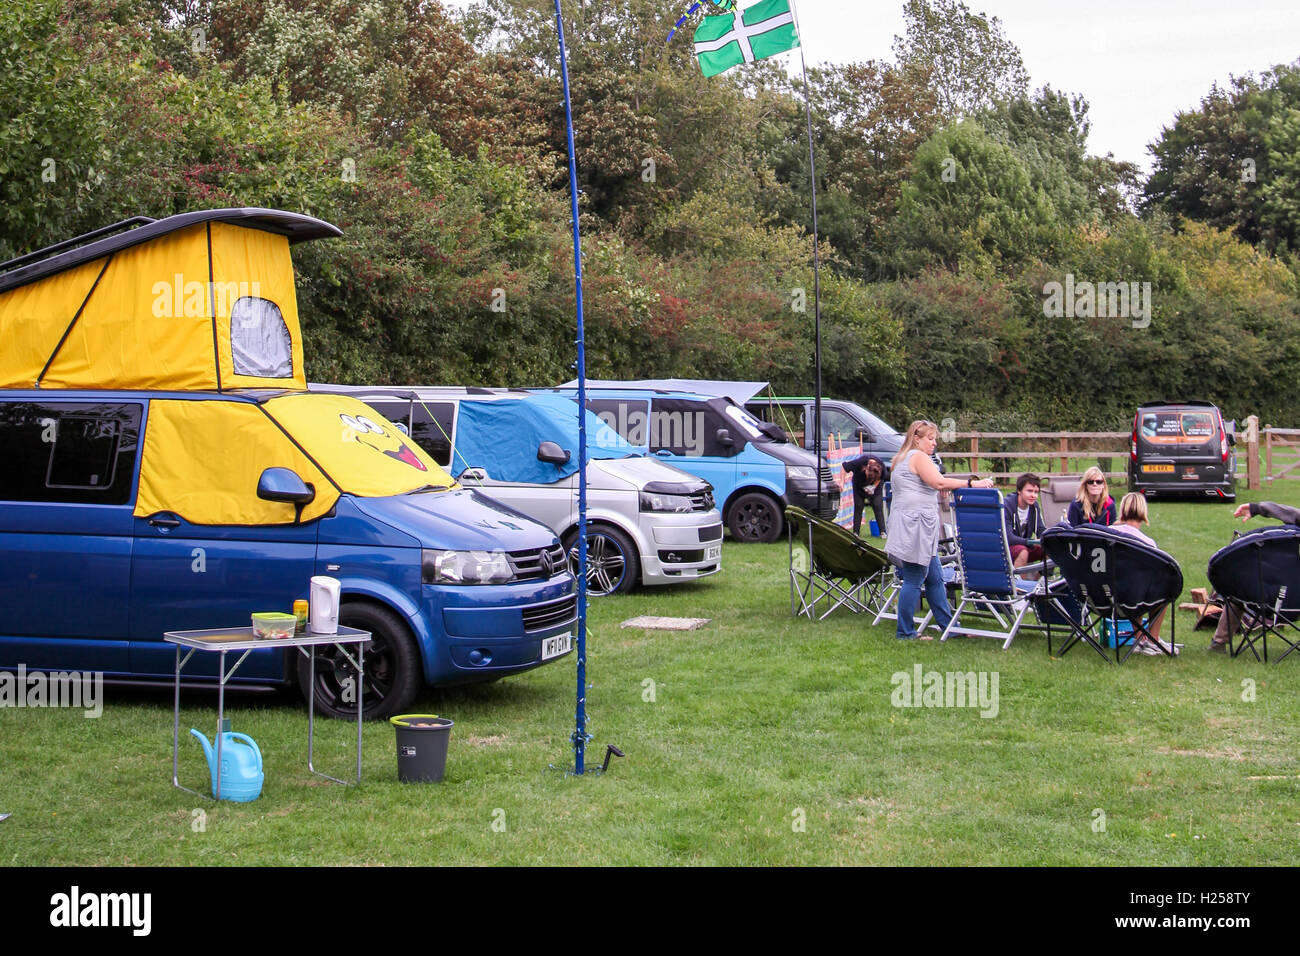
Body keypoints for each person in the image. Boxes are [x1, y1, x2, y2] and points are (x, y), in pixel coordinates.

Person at [886, 420, 994, 640]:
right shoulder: (917, 456)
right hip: (915, 525)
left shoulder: (902, 457)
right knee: (914, 577)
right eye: (930, 439)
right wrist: (973, 484)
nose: (934, 443)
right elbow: (939, 483)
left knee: (934, 578)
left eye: (935, 439)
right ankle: (905, 632)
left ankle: (950, 628)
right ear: (917, 438)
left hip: (914, 524)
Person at [1209, 501, 1300, 652]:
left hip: (1259, 600)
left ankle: (1219, 642)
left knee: (1241, 585)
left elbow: (1290, 513)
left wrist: (1257, 508)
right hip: (1295, 604)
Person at [1107, 492, 1170, 655]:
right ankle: (1152, 639)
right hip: (1132, 597)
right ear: (1143, 512)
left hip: (1103, 595)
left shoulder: (1105, 533)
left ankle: (1139, 638)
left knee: (1135, 586)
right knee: (1161, 591)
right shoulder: (1147, 543)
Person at [1003, 473, 1045, 572]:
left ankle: (1039, 583)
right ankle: (1019, 586)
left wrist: (1048, 538)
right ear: (1019, 490)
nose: (1033, 495)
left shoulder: (1034, 507)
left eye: (1036, 492)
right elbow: (1008, 538)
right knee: (1022, 551)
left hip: (1024, 545)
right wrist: (1031, 542)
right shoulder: (1007, 505)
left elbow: (1040, 529)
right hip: (1005, 548)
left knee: (1051, 550)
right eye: (1029, 491)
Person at [842, 453, 886, 537]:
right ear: (866, 468)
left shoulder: (882, 467)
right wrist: (841, 483)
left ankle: (883, 532)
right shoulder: (859, 463)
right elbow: (844, 467)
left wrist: (873, 486)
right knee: (858, 506)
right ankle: (856, 533)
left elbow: (881, 479)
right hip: (858, 485)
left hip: (875, 487)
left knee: (877, 505)